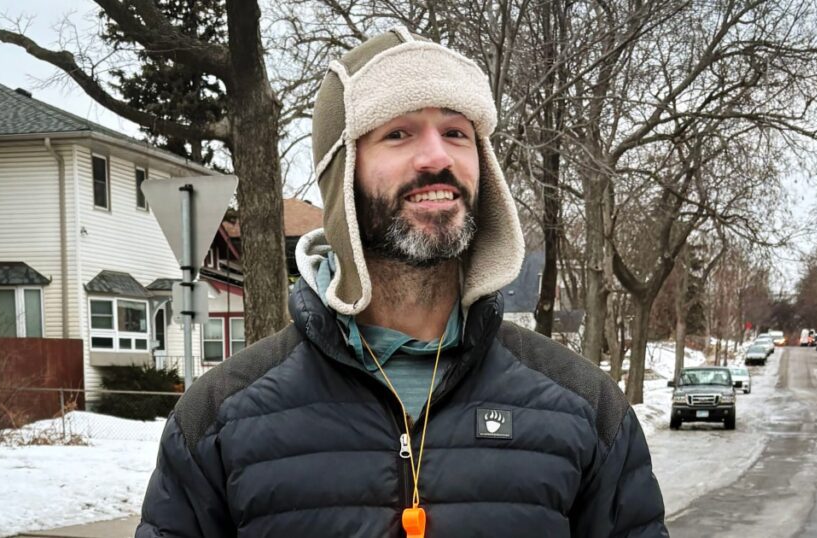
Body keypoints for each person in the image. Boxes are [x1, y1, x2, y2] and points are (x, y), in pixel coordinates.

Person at [137, 27, 668, 537]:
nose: (438, 156)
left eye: (457, 133)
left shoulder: (587, 409)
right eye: (398, 132)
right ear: (342, 175)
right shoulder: (219, 421)